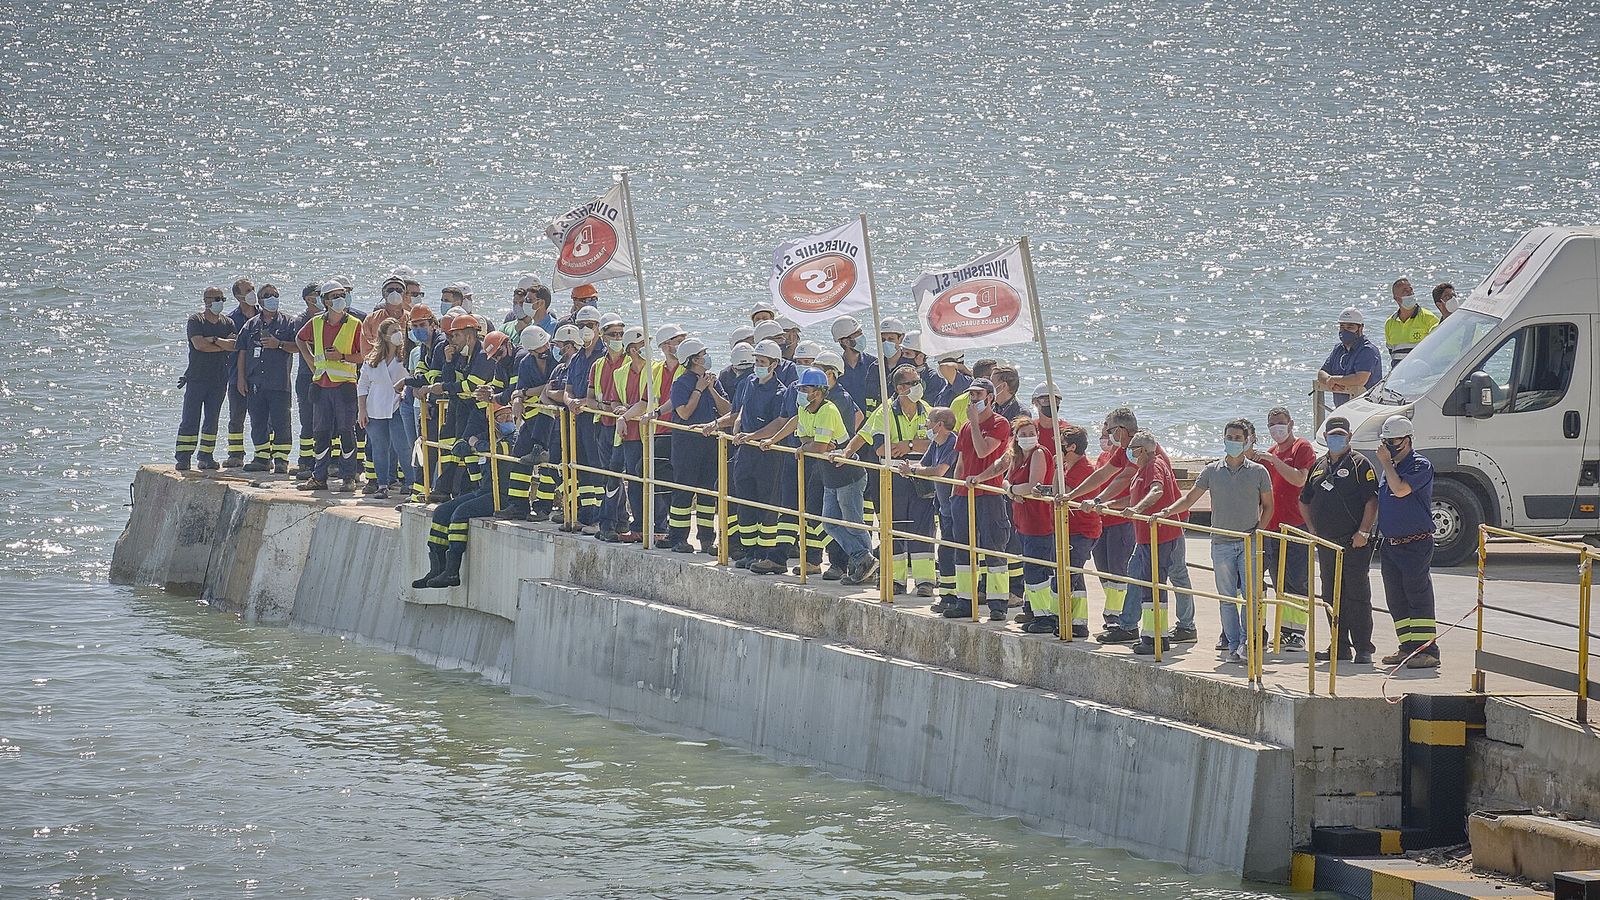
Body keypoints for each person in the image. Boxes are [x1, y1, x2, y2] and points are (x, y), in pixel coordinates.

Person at [1158, 420, 1273, 664]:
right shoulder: (1211, 471)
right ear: (1223, 439)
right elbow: (1190, 498)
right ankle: (1233, 645)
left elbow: (1269, 506)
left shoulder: (1258, 471)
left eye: (1237, 437)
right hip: (1221, 543)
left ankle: (1247, 643)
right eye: (1229, 436)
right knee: (1227, 598)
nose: (1233, 441)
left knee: (1251, 597)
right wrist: (1166, 512)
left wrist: (1258, 532)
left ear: (1246, 441)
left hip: (1248, 541)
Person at [1093, 430, 1196, 654]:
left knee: (1157, 584)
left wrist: (1138, 509)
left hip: (1161, 536)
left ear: (1143, 450)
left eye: (1134, 449)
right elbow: (1134, 498)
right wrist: (1110, 505)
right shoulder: (1142, 470)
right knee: (1139, 576)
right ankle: (1135, 627)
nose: (1130, 453)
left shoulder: (1154, 465)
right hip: (1146, 537)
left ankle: (1158, 636)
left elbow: (1156, 491)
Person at [839, 364, 932, 594]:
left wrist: (908, 445)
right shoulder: (886, 412)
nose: (918, 386)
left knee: (924, 531)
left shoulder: (928, 410)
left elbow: (937, 443)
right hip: (893, 479)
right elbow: (879, 447)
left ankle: (925, 582)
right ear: (900, 388)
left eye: (918, 381)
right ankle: (895, 580)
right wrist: (846, 454)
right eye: (913, 382)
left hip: (922, 478)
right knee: (894, 529)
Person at [780, 367, 875, 584]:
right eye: (801, 388)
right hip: (829, 474)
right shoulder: (804, 409)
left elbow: (819, 446)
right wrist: (812, 446)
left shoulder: (828, 410)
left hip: (848, 475)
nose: (802, 391)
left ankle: (868, 569)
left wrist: (812, 446)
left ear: (819, 391)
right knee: (829, 523)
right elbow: (808, 441)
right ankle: (863, 559)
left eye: (806, 388)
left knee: (853, 523)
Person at [1298, 416, 1379, 664]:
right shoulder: (1320, 465)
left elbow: (1372, 500)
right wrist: (1312, 528)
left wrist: (1363, 532)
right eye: (1332, 435)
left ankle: (1363, 647)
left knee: (1357, 594)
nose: (1336, 439)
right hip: (1326, 543)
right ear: (1325, 437)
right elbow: (1304, 499)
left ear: (1349, 436)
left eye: (1340, 435)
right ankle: (1339, 645)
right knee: (1331, 595)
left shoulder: (1360, 464)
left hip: (1353, 542)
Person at [411, 403, 518, 589]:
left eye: (510, 416)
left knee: (460, 514)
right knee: (442, 512)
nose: (508, 420)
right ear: (492, 422)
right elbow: (468, 441)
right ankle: (437, 568)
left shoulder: (515, 438)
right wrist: (465, 444)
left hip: (502, 497)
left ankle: (452, 571)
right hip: (483, 491)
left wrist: (474, 444)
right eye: (502, 417)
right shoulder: (490, 436)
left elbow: (494, 449)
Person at [716, 340, 794, 574]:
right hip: (745, 453)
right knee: (745, 502)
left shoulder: (780, 392)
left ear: (774, 364)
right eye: (757, 361)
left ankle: (764, 553)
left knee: (766, 504)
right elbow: (738, 412)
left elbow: (778, 423)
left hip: (767, 455)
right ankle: (750, 552)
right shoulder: (747, 383)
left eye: (762, 362)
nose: (758, 366)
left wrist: (753, 436)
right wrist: (737, 430)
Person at [1066, 408, 1142, 628]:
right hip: (1105, 518)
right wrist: (1073, 495)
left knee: (1122, 571)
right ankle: (1114, 617)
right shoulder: (1120, 451)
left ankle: (1122, 621)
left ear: (1120, 430)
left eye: (1108, 430)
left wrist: (1099, 500)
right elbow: (1102, 475)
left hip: (1127, 518)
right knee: (1105, 569)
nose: (1106, 435)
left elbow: (1124, 478)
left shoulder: (1138, 447)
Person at [944, 378, 1013, 621]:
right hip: (964, 494)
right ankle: (965, 600)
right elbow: (961, 462)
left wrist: (974, 422)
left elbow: (985, 450)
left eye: (978, 394)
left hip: (989, 494)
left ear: (990, 397)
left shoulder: (1000, 423)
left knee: (993, 548)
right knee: (964, 550)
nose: (973, 399)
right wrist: (954, 494)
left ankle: (997, 603)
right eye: (971, 395)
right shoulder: (964, 427)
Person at [1375, 414, 1440, 669]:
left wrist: (1386, 465)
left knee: (1418, 595)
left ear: (1408, 440)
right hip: (1391, 543)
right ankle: (1407, 647)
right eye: (1386, 441)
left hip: (1415, 543)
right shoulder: (1390, 468)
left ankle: (1427, 650)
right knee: (1396, 597)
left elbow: (1401, 490)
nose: (1390, 446)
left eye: (1395, 441)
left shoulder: (1418, 465)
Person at [1254, 407, 1316, 651]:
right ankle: (1283, 630)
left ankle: (1297, 633)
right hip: (1273, 527)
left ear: (1290, 423)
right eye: (1271, 424)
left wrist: (1274, 461)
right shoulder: (1270, 453)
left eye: (1280, 423)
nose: (1276, 429)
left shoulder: (1301, 447)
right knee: (1279, 580)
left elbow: (1299, 479)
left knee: (1297, 581)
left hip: (1295, 525)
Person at [295, 280, 366, 492]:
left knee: (346, 431)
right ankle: (319, 477)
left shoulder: (355, 324)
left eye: (341, 294)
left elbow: (362, 355)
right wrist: (310, 361)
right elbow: (300, 339)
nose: (339, 299)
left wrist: (342, 356)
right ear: (325, 301)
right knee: (321, 432)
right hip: (321, 385)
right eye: (334, 296)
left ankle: (348, 477)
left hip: (344, 386)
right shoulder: (316, 322)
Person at [668, 339, 728, 553]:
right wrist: (699, 390)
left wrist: (711, 389)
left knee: (707, 493)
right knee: (683, 491)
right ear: (694, 359)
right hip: (686, 445)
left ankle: (706, 539)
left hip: (709, 444)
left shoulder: (712, 381)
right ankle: (677, 538)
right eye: (703, 354)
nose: (707, 357)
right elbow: (683, 412)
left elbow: (726, 410)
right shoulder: (682, 383)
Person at [234, 284, 299, 474]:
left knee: (281, 421)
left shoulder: (288, 322)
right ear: (259, 300)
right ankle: (262, 458)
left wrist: (278, 344)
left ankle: (281, 460)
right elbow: (242, 351)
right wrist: (241, 378)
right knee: (258, 421)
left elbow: (298, 347)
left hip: (279, 382)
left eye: (275, 295)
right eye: (267, 295)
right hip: (255, 382)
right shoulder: (251, 324)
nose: (272, 298)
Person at [174, 287, 238, 471]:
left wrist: (214, 339)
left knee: (212, 419)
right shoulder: (196, 320)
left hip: (219, 378)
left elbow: (233, 346)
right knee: (190, 418)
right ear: (206, 300)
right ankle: (184, 457)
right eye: (216, 298)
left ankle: (206, 456)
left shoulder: (228, 323)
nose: (220, 302)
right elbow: (199, 345)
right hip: (197, 378)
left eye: (222, 298)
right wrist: (221, 344)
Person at [902, 407, 960, 611]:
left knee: (951, 552)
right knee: (946, 552)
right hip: (943, 507)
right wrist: (909, 468)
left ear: (940, 425)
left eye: (929, 422)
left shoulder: (952, 443)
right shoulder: (935, 444)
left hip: (956, 507)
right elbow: (924, 464)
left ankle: (954, 597)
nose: (926, 425)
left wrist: (914, 470)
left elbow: (939, 471)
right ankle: (948, 597)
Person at [1054, 424, 1101, 637]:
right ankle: (1078, 623)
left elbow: (1063, 493)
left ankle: (1061, 619)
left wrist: (1056, 470)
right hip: (1068, 528)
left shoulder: (1085, 470)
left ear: (1071, 447)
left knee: (1067, 576)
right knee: (1075, 575)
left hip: (1082, 530)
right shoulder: (1066, 467)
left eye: (1062, 445)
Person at [357, 320, 412, 500]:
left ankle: (411, 483)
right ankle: (382, 485)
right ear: (384, 336)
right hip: (376, 408)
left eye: (399, 330)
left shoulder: (406, 356)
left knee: (402, 446)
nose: (398, 333)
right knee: (380, 448)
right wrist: (362, 410)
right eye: (393, 331)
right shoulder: (372, 360)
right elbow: (363, 385)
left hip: (398, 406)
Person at [221, 277, 259, 467]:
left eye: (253, 288)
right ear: (238, 296)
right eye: (247, 290)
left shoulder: (265, 315)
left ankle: (263, 455)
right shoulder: (230, 320)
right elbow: (227, 346)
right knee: (236, 416)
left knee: (263, 418)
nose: (252, 292)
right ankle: (235, 454)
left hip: (261, 375)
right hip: (237, 374)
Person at [1317, 307, 1384, 407]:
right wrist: (1328, 380)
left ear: (1360, 328)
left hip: (1367, 408)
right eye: (1342, 327)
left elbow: (1360, 379)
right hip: (1342, 408)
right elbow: (1321, 373)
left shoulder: (1367, 350)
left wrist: (1335, 380)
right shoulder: (1338, 349)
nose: (1345, 331)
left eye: (1350, 327)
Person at [290, 284, 323, 474]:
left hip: (326, 375)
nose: (320, 298)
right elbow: (306, 341)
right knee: (308, 420)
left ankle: (322, 461)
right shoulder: (302, 320)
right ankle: (304, 461)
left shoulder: (327, 318)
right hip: (306, 375)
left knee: (325, 421)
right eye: (316, 295)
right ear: (308, 299)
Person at [1383, 277, 1440, 367]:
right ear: (1397, 299)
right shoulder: (1390, 323)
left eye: (1411, 289)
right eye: (1405, 291)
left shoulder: (1428, 318)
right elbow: (1392, 352)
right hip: (1398, 374)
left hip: (1422, 373)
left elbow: (1437, 348)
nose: (1410, 293)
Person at [832, 315, 882, 414]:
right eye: (857, 334)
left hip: (871, 424)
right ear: (846, 341)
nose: (862, 336)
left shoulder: (874, 364)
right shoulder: (836, 368)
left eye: (861, 332)